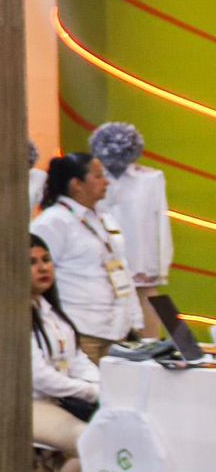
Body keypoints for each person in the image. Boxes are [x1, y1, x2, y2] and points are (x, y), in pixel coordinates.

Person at [30, 152, 140, 363]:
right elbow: (37, 278)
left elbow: (122, 269)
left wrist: (135, 319)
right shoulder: (53, 222)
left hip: (118, 331)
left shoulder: (105, 218)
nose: (106, 182)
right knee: (86, 384)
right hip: (81, 329)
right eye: (98, 176)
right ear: (77, 184)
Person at [29, 233, 97, 472]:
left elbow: (78, 359)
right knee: (93, 440)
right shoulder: (15, 314)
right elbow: (40, 377)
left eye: (46, 260)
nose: (43, 268)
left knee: (116, 434)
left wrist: (99, 385)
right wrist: (89, 391)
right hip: (32, 405)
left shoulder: (51, 310)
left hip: (62, 401)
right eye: (31, 263)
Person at [91, 122, 174, 337]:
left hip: (141, 260)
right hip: (103, 258)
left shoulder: (151, 178)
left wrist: (160, 265)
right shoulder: (92, 180)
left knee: (148, 308)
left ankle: (154, 348)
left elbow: (161, 222)